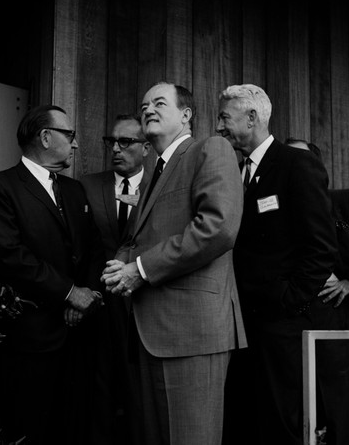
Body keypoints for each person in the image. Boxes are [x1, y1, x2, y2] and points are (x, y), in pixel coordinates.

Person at [101, 81, 247, 445]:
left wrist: (140, 270)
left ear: (186, 115)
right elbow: (139, 238)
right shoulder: (156, 170)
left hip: (193, 331)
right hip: (151, 331)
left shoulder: (211, 149)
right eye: (144, 104)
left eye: (159, 103)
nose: (148, 109)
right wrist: (121, 264)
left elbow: (217, 227)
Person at [216, 84, 344, 445]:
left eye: (225, 117)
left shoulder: (295, 164)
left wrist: (290, 301)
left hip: (283, 327)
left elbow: (322, 247)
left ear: (252, 117)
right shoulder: (235, 170)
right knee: (249, 421)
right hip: (243, 326)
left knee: (282, 423)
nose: (220, 126)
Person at [0, 104, 106, 445]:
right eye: (70, 135)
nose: (75, 144)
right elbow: (10, 257)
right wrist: (68, 292)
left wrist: (86, 295)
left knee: (75, 430)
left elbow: (94, 248)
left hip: (79, 337)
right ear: (46, 137)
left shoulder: (76, 190)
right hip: (32, 341)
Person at [285, 136, 349, 445]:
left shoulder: (345, 200)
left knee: (335, 399)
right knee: (292, 400)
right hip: (286, 316)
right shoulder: (270, 208)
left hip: (332, 312)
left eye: (301, 161)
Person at [80, 113, 151, 445]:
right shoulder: (87, 185)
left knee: (140, 394)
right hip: (99, 308)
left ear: (146, 147)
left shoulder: (160, 186)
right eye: (112, 142)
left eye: (126, 142)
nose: (116, 149)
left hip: (144, 307)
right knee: (99, 391)